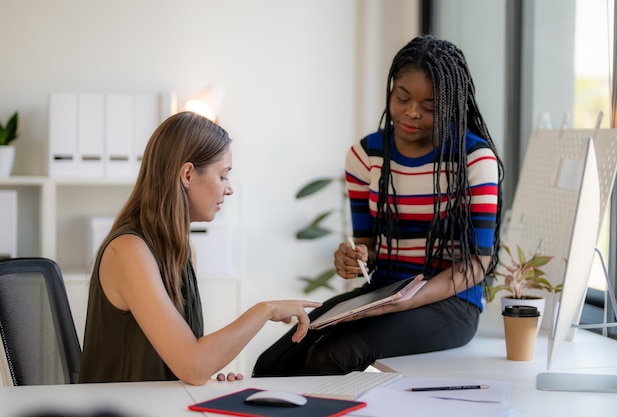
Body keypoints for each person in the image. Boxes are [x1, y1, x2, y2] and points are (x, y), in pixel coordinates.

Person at [253, 34, 504, 376]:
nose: (412, 113)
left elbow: (478, 262)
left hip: (451, 303)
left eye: (430, 106)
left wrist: (409, 299)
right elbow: (367, 245)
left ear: (450, 105)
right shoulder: (365, 156)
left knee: (332, 356)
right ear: (391, 91)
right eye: (403, 98)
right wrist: (353, 258)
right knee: (274, 362)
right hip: (382, 293)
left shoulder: (473, 160)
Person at [79, 111, 321, 385]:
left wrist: (208, 371)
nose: (229, 190)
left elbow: (188, 362)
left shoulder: (182, 251)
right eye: (223, 176)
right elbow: (192, 366)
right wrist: (264, 310)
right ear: (188, 174)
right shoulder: (129, 251)